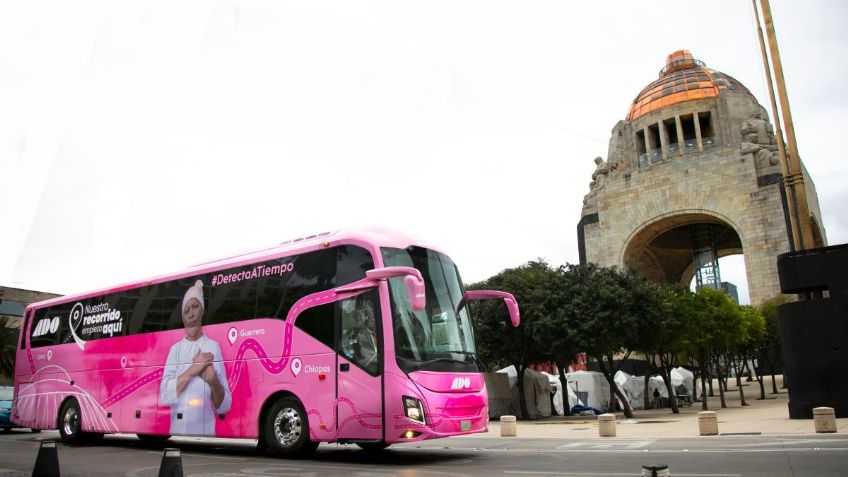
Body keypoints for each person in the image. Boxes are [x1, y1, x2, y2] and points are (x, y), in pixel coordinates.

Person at [160, 280, 232, 436]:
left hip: (206, 434)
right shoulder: (175, 350)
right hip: (177, 433)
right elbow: (165, 396)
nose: (191, 314)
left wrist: (213, 381)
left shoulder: (213, 347)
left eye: (195, 307)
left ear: (202, 311)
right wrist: (193, 369)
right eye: (186, 311)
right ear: (183, 317)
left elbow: (224, 405)